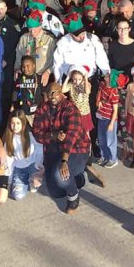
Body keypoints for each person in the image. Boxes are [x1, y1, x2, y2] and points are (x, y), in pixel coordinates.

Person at [32, 81, 90, 214]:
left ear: (61, 94)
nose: (52, 96)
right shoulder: (42, 109)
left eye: (55, 93)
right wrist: (53, 135)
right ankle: (78, 178)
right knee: (55, 192)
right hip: (53, 150)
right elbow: (37, 134)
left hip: (76, 150)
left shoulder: (70, 109)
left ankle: (73, 196)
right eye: (49, 93)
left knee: (60, 175)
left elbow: (70, 138)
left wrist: (64, 161)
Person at [2, 111, 43, 200]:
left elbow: (40, 150)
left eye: (18, 123)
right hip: (19, 168)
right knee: (17, 196)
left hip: (33, 165)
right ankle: (23, 182)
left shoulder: (31, 136)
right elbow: (9, 161)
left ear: (23, 123)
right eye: (13, 123)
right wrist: (9, 179)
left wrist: (39, 167)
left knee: (36, 184)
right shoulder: (8, 140)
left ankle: (32, 180)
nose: (15, 126)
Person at [95, 70, 122, 168]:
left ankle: (113, 159)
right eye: (105, 76)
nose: (105, 78)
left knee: (110, 140)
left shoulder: (114, 93)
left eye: (107, 77)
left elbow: (115, 110)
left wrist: (111, 123)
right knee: (101, 138)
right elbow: (100, 93)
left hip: (110, 119)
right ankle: (104, 156)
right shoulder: (102, 85)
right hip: (101, 116)